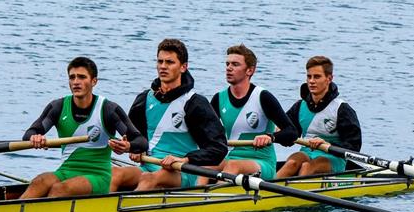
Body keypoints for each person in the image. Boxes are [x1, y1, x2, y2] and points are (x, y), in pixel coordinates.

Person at [20, 56, 148, 198]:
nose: (76, 82)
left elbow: (141, 142)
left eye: (81, 77)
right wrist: (35, 137)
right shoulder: (58, 107)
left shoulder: (108, 110)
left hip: (98, 176)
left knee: (61, 189)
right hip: (66, 171)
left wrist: (128, 146)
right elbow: (29, 133)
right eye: (72, 77)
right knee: (39, 181)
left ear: (94, 81)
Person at [110, 39, 228, 191]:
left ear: (183, 67)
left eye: (170, 62)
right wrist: (134, 148)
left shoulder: (194, 103)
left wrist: (184, 159)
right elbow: (137, 139)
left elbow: (218, 148)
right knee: (114, 173)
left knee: (149, 179)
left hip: (181, 171)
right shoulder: (144, 99)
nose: (163, 67)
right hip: (149, 166)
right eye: (160, 61)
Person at [208, 44, 297, 182]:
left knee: (232, 166)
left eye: (235, 64)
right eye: (227, 64)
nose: (229, 68)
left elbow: (292, 132)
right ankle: (193, 196)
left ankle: (212, 200)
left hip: (261, 162)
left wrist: (271, 137)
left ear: (250, 70)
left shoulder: (263, 97)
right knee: (201, 164)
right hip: (230, 157)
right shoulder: (219, 98)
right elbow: (204, 131)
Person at [275, 55, 362, 179]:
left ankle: (297, 193)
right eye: (309, 76)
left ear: (329, 78)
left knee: (307, 167)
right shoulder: (299, 106)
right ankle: (263, 193)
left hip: (333, 158)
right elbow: (288, 138)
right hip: (306, 152)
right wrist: (279, 132)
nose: (311, 81)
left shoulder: (341, 109)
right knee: (292, 163)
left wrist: (327, 144)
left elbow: (354, 147)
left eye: (317, 77)